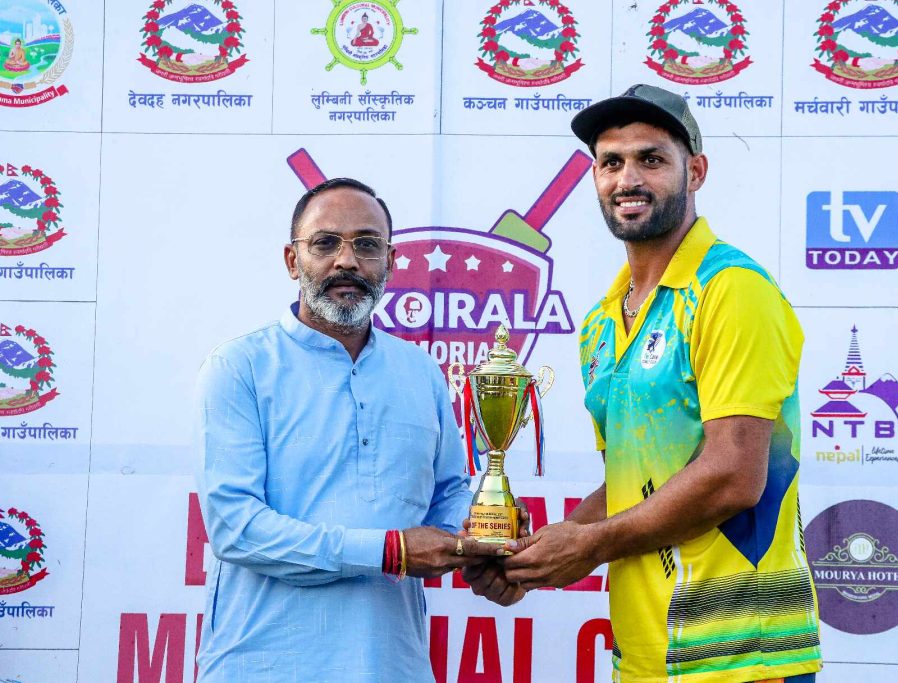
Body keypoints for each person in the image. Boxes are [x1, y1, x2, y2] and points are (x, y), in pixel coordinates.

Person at [502, 85, 823, 682]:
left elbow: (732, 475)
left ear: (695, 171)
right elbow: (634, 484)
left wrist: (590, 546)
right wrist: (542, 552)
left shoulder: (731, 289)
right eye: (611, 162)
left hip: (740, 655)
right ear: (595, 179)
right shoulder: (601, 323)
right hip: (644, 650)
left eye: (651, 159)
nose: (628, 179)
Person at [195, 178, 508, 682]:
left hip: (392, 664)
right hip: (264, 665)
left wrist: (483, 539)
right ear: (292, 261)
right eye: (325, 243)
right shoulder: (240, 367)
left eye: (366, 244)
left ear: (391, 261)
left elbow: (449, 495)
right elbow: (237, 529)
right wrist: (390, 551)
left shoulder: (420, 371)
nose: (347, 261)